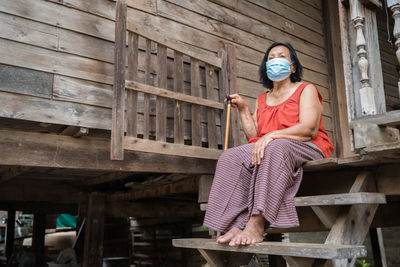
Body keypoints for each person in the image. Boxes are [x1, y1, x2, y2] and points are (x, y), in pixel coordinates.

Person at [203, 42, 334, 247]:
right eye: (270, 59)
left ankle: (257, 222)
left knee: (275, 146)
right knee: (231, 156)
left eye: (281, 57)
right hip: (275, 148)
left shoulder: (306, 89)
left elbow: (309, 129)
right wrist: (244, 110)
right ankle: (236, 223)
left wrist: (271, 136)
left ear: (292, 67)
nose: (275, 61)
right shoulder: (262, 98)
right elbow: (255, 137)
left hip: (307, 146)